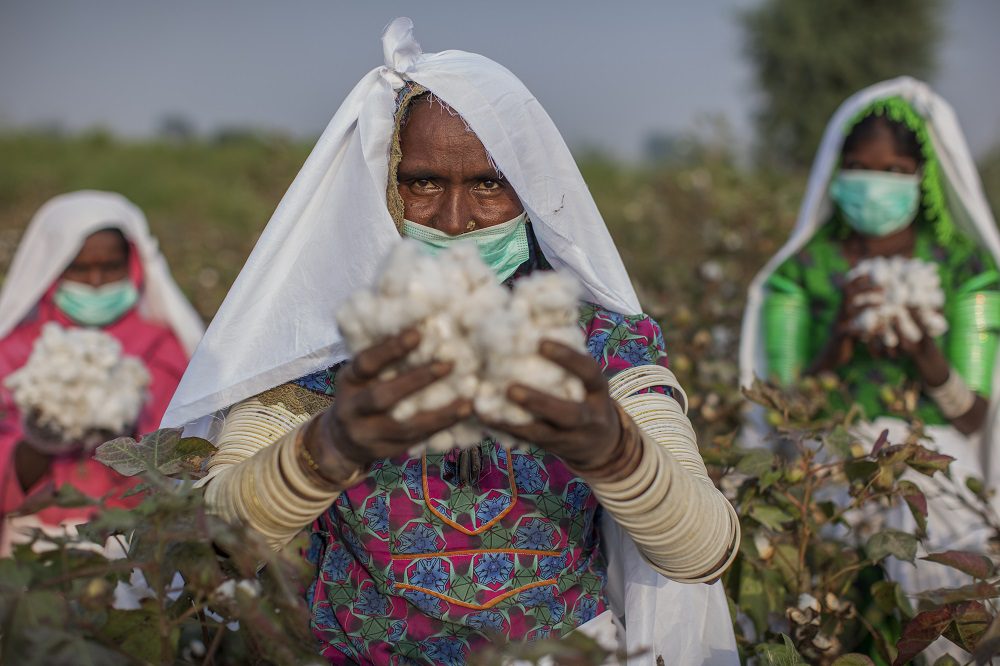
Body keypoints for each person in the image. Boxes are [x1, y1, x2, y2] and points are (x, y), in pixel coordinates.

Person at [163, 19, 739, 665]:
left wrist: (610, 448)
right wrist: (332, 445)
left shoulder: (602, 346)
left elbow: (703, 550)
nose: (456, 220)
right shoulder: (322, 349)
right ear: (379, 187)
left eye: (489, 185)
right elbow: (213, 549)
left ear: (533, 194)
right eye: (423, 183)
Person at [740, 78, 1000, 597]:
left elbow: (972, 416)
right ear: (836, 174)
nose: (875, 183)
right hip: (831, 464)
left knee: (940, 584)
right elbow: (782, 409)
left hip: (933, 467)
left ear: (923, 178)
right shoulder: (803, 272)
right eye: (859, 167)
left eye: (895, 171)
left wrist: (926, 353)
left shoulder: (965, 270)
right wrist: (836, 342)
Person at [0, 191, 204, 549]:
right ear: (53, 268)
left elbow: (184, 448)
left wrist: (130, 429)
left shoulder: (164, 348)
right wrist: (38, 441)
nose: (95, 281)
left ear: (133, 265)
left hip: (135, 541)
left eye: (110, 268)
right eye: (80, 268)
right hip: (35, 543)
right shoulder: (14, 351)